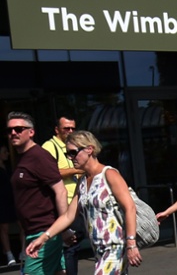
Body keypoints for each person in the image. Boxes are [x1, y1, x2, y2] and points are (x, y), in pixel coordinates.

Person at [26, 130, 142, 274]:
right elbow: (68, 215)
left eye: (73, 152)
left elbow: (129, 207)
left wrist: (131, 244)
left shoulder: (109, 174)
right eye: (68, 154)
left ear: (89, 149)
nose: (70, 158)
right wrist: (43, 238)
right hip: (99, 250)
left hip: (115, 247)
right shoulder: (82, 181)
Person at [6, 111, 68, 275]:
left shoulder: (39, 156)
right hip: (33, 232)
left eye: (18, 129)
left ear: (31, 132)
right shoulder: (23, 157)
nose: (13, 133)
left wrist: (64, 227)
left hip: (44, 231)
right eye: (10, 130)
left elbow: (60, 191)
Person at [42, 115, 85, 275]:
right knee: (69, 248)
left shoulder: (75, 145)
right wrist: (76, 170)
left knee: (75, 246)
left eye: (73, 128)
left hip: (78, 204)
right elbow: (48, 174)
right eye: (66, 128)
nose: (70, 131)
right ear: (57, 130)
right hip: (62, 206)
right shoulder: (49, 147)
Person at [0, 143, 18, 266]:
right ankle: (9, 253)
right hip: (1, 201)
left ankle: (23, 251)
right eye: (4, 151)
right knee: (4, 227)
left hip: (13, 199)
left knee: (22, 224)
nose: (7, 154)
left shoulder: (9, 168)